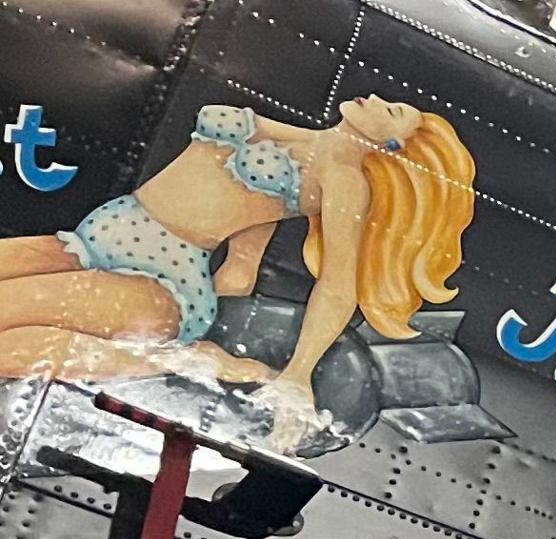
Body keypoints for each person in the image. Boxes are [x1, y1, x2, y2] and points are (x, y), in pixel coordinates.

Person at [0, 96, 479, 423]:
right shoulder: (294, 139)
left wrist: (297, 375)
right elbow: (244, 256)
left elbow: (337, 284)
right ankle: (182, 357)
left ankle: (182, 361)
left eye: (389, 110)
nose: (374, 98)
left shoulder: (342, 180)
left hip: (158, 278)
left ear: (391, 146)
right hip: (91, 241)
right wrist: (240, 274)